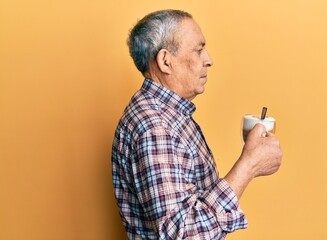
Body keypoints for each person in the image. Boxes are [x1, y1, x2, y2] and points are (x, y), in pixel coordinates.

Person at [112, 9, 282, 239]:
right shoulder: (156, 128)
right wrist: (248, 165)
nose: (209, 60)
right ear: (165, 61)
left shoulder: (169, 114)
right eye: (199, 49)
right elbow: (182, 234)